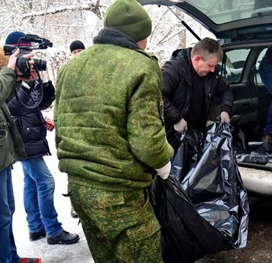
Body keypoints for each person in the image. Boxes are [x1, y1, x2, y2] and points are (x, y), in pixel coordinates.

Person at [54, 0, 174, 262]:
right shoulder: (141, 66)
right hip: (120, 194)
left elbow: (60, 127)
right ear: (140, 34)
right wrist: (163, 161)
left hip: (79, 189)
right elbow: (147, 140)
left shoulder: (70, 67)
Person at [5, 31, 80, 246]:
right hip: (23, 139)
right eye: (26, 53)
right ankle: (53, 230)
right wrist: (26, 85)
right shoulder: (6, 75)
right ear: (14, 52)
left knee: (31, 183)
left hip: (32, 137)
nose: (29, 58)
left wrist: (42, 85)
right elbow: (12, 108)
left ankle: (36, 227)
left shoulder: (22, 75)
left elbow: (37, 105)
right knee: (46, 181)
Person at [0, 45, 42, 263]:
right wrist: (9, 71)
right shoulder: (4, 76)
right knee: (1, 216)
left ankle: (11, 258)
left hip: (4, 157)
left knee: (7, 213)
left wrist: (26, 80)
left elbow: (10, 103)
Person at [161, 37, 234, 152]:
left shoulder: (211, 74)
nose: (212, 69)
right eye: (210, 65)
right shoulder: (174, 69)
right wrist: (176, 119)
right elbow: (157, 96)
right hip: (170, 136)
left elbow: (226, 90)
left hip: (195, 134)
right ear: (197, 59)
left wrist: (225, 109)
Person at [66, 40, 86, 219]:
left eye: (81, 50)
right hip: (72, 129)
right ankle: (75, 206)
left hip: (88, 128)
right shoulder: (67, 73)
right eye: (75, 51)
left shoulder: (92, 71)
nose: (78, 53)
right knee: (74, 170)